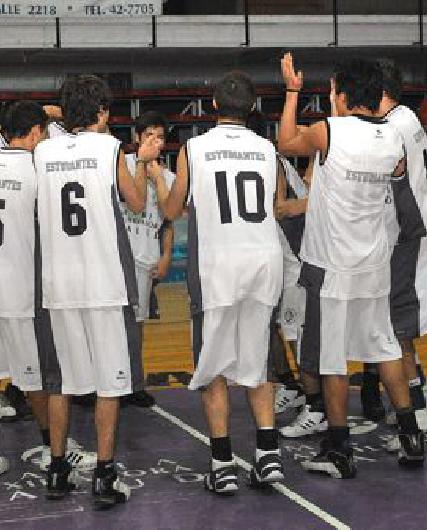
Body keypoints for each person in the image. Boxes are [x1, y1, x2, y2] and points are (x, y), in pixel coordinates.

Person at [277, 53, 424, 479]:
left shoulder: (330, 130)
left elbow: (287, 142)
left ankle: (339, 449)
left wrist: (291, 91)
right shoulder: (393, 138)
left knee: (333, 359)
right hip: (375, 262)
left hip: (333, 265)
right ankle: (411, 435)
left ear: (341, 94)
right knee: (385, 347)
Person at [34, 74, 162, 507]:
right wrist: (140, 162)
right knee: (110, 382)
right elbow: (139, 203)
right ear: (104, 112)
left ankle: (56, 471)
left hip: (59, 282)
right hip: (104, 280)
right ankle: (105, 476)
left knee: (63, 383)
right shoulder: (110, 149)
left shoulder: (43, 151)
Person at [162, 71, 285, 495]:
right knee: (257, 359)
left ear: (213, 105)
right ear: (252, 108)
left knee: (213, 363)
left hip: (218, 265)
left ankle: (222, 463)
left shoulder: (194, 149)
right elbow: (277, 205)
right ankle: (268, 455)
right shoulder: (268, 149)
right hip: (263, 260)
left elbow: (173, 209)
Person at [0, 101, 98, 482]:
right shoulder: (37, 170)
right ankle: (54, 447)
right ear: (36, 133)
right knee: (37, 375)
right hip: (17, 284)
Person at [358, 61, 427, 439]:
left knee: (395, 322)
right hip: (420, 225)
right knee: (393, 318)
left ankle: (418, 407)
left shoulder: (393, 128)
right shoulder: (407, 118)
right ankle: (421, 387)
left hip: (410, 230)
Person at [245, 111, 308, 418]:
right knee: (267, 326)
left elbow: (279, 208)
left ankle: (316, 404)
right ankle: (291, 386)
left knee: (295, 332)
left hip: (296, 257)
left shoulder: (268, 158)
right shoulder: (265, 158)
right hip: (278, 256)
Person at [118, 110, 176, 408]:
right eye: (149, 135)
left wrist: (166, 255)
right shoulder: (122, 166)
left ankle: (134, 383)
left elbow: (169, 218)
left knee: (137, 327)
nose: (155, 141)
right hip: (118, 260)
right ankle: (104, 384)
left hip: (145, 260)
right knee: (113, 325)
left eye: (160, 136)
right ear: (137, 138)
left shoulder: (167, 177)